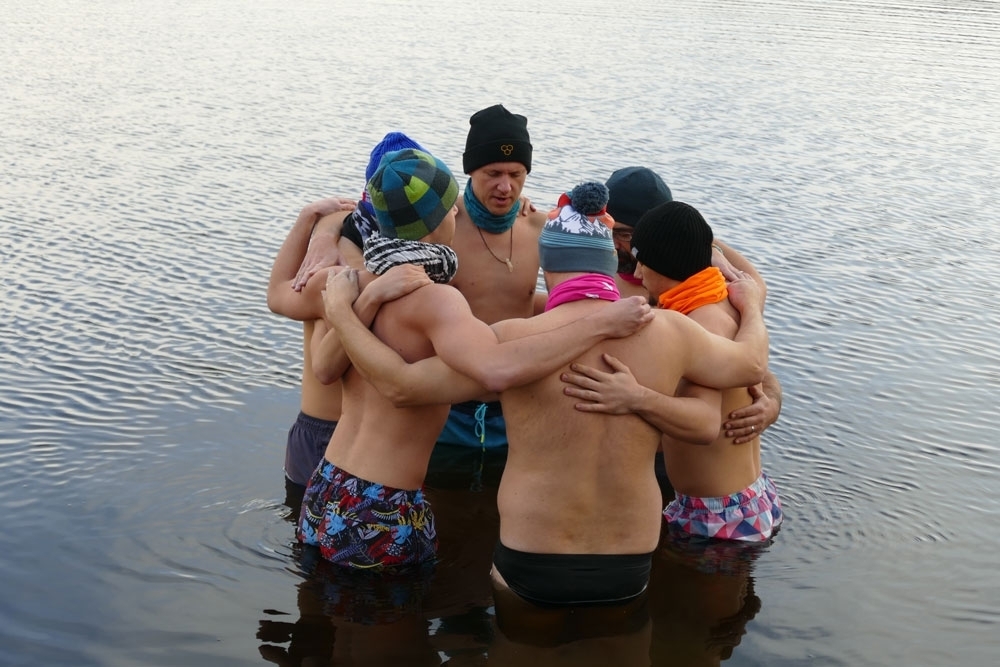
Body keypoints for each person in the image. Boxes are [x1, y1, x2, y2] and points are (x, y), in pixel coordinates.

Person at [323, 181, 770, 606]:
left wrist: (343, 314)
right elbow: (751, 365)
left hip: (533, 556)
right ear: (609, 265)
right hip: (629, 560)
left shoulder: (511, 341)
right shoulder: (674, 332)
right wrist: (752, 305)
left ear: (547, 267)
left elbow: (401, 386)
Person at [300, 151, 655, 570]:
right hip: (384, 504)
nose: (457, 211)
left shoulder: (353, 284)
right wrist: (601, 324)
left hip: (327, 485)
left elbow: (324, 369)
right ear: (438, 221)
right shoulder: (436, 299)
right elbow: (496, 369)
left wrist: (354, 306)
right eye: (450, 206)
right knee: (396, 614)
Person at [563, 201, 783, 542]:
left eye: (643, 264)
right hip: (746, 500)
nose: (637, 275)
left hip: (716, 516)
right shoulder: (730, 297)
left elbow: (703, 422)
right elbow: (751, 279)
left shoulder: (700, 323)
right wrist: (708, 245)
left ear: (666, 264)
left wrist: (634, 397)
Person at [265, 132, 429, 509]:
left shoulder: (398, 267)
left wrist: (318, 219)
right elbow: (279, 300)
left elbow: (277, 295)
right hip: (326, 435)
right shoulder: (337, 273)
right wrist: (312, 218)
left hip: (365, 439)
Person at [605, 165, 782, 444]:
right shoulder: (598, 277)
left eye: (626, 235)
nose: (614, 244)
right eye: (608, 230)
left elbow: (751, 364)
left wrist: (771, 403)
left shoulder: (711, 289)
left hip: (687, 447)